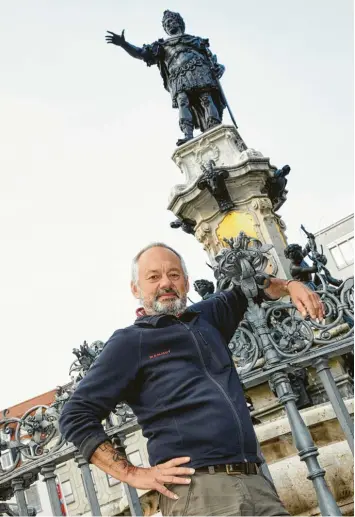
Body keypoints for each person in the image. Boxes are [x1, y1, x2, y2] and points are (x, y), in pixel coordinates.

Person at [59, 243, 324, 516]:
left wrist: (292, 285)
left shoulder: (207, 317)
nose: (165, 283)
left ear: (185, 282)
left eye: (174, 275)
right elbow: (75, 416)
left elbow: (252, 286)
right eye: (153, 277)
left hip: (255, 481)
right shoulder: (129, 342)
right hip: (199, 492)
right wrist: (132, 473)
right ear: (135, 289)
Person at [105, 10, 226, 146]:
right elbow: (141, 53)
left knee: (206, 98)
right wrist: (124, 44)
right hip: (178, 76)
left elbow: (211, 59)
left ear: (179, 22)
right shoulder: (161, 46)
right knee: (182, 102)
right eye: (166, 24)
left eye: (171, 21)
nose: (169, 25)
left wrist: (220, 67)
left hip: (199, 71)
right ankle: (188, 135)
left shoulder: (195, 40)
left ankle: (214, 129)